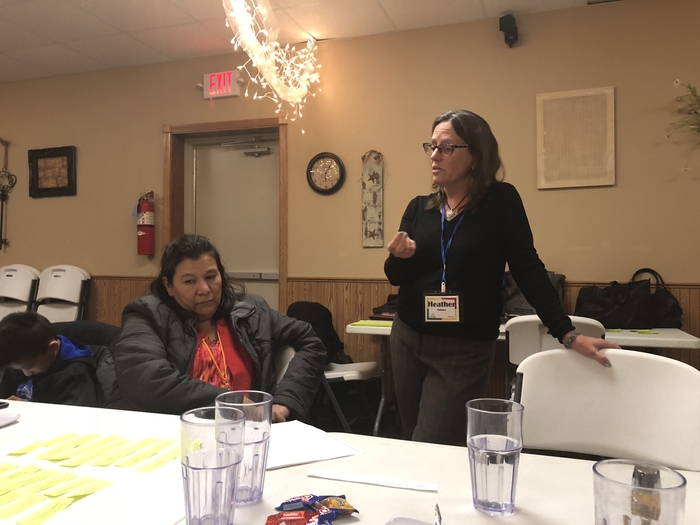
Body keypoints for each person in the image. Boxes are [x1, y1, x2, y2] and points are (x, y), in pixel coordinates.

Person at [384, 109, 619, 446]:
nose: (435, 155)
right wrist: (399, 257)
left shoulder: (501, 202)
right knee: (411, 439)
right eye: (431, 146)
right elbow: (396, 277)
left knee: (432, 444)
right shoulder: (418, 207)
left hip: (463, 349)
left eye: (446, 147)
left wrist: (566, 333)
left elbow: (527, 268)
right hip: (407, 338)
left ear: (476, 156)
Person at [109, 234, 326, 422]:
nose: (204, 289)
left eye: (211, 277)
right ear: (169, 286)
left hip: (247, 435)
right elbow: (146, 381)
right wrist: (233, 403)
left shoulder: (253, 312)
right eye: (189, 281)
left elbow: (311, 342)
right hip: (170, 435)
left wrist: (286, 401)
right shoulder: (147, 315)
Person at [0, 311, 108, 407]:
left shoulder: (75, 374)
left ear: (53, 347)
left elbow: (77, 416)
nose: (26, 373)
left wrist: (30, 409)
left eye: (29, 367)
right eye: (19, 368)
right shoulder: (18, 359)